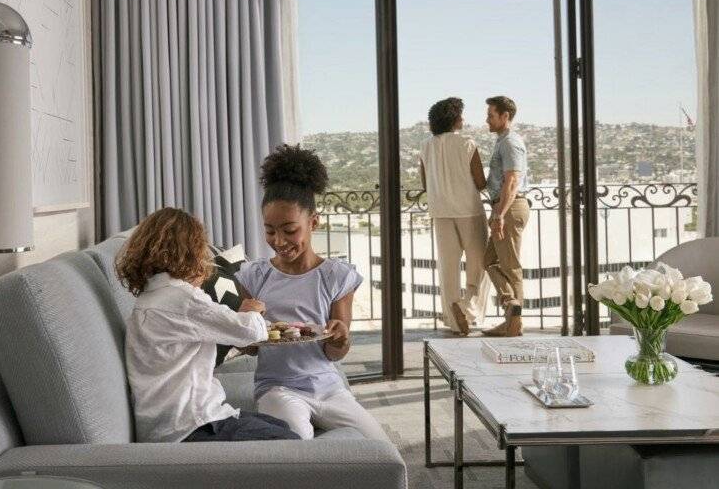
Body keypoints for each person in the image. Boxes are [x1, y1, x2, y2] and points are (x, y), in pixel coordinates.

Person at [235, 144, 389, 441]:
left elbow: (334, 352)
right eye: (269, 230)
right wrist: (243, 325)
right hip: (277, 387)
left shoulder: (336, 276)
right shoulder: (254, 277)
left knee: (378, 443)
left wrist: (342, 336)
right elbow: (250, 348)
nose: (279, 240)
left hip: (328, 386)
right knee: (297, 440)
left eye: (289, 230)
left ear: (313, 222)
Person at [117, 207, 300, 443]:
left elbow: (217, 320)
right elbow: (250, 331)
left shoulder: (148, 298)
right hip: (192, 425)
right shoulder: (183, 298)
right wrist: (251, 310)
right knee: (288, 440)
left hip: (162, 425)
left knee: (278, 425)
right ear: (191, 252)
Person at [418, 97, 490, 335]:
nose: (463, 119)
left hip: (440, 211)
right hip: (469, 210)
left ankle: (452, 317)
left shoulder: (425, 146)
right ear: (455, 119)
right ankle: (468, 310)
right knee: (479, 265)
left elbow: (425, 182)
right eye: (461, 115)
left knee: (448, 267)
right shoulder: (467, 143)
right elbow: (480, 182)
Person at [481, 96, 529, 338]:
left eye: (491, 115)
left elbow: (512, 181)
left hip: (509, 208)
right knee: (489, 260)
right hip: (502, 207)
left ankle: (514, 324)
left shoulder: (511, 142)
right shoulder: (502, 141)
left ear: (505, 116)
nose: (487, 119)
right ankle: (511, 306)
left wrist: (499, 214)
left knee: (511, 268)